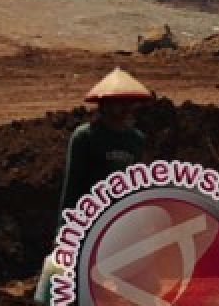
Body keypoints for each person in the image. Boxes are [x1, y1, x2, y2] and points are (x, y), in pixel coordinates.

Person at [58, 67, 152, 216]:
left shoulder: (136, 140)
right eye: (119, 103)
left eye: (130, 102)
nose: (126, 108)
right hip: (91, 218)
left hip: (122, 220)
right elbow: (72, 187)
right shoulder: (85, 137)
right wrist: (64, 228)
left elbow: (139, 187)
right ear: (105, 105)